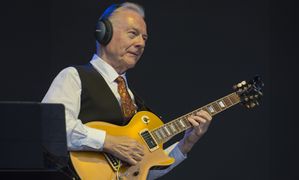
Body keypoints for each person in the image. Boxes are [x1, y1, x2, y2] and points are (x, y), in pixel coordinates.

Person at [42, 2, 213, 179]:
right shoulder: (74, 77)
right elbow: (50, 129)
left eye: (144, 38)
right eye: (133, 34)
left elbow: (142, 174)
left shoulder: (134, 101)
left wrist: (186, 143)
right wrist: (107, 142)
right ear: (103, 33)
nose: (140, 43)